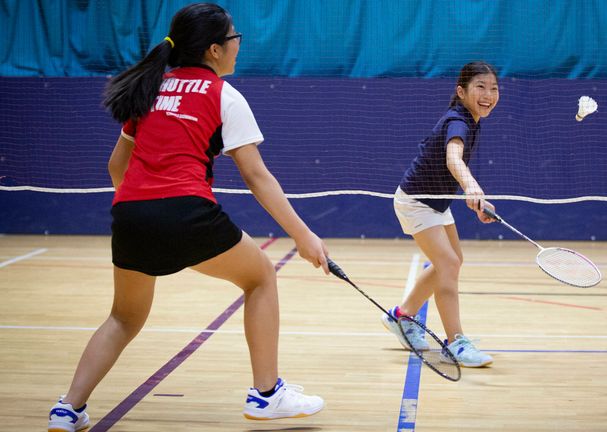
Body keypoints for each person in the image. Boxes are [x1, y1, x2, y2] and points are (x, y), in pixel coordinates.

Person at [47, 4, 328, 431]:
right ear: (215, 49)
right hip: (187, 212)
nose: (239, 46)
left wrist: (145, 208)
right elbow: (257, 177)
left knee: (124, 317)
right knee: (259, 278)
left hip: (130, 215)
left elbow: (116, 169)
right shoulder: (224, 96)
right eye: (235, 39)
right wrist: (304, 236)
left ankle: (68, 408)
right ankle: (267, 394)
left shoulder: (148, 87)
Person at [382, 61, 499, 368]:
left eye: (494, 88)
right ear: (461, 91)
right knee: (447, 264)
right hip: (416, 202)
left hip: (435, 202)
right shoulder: (458, 120)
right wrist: (472, 185)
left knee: (452, 261)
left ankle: (401, 317)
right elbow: (452, 158)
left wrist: (474, 200)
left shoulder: (472, 120)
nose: (488, 94)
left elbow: (449, 168)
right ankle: (455, 341)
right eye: (480, 87)